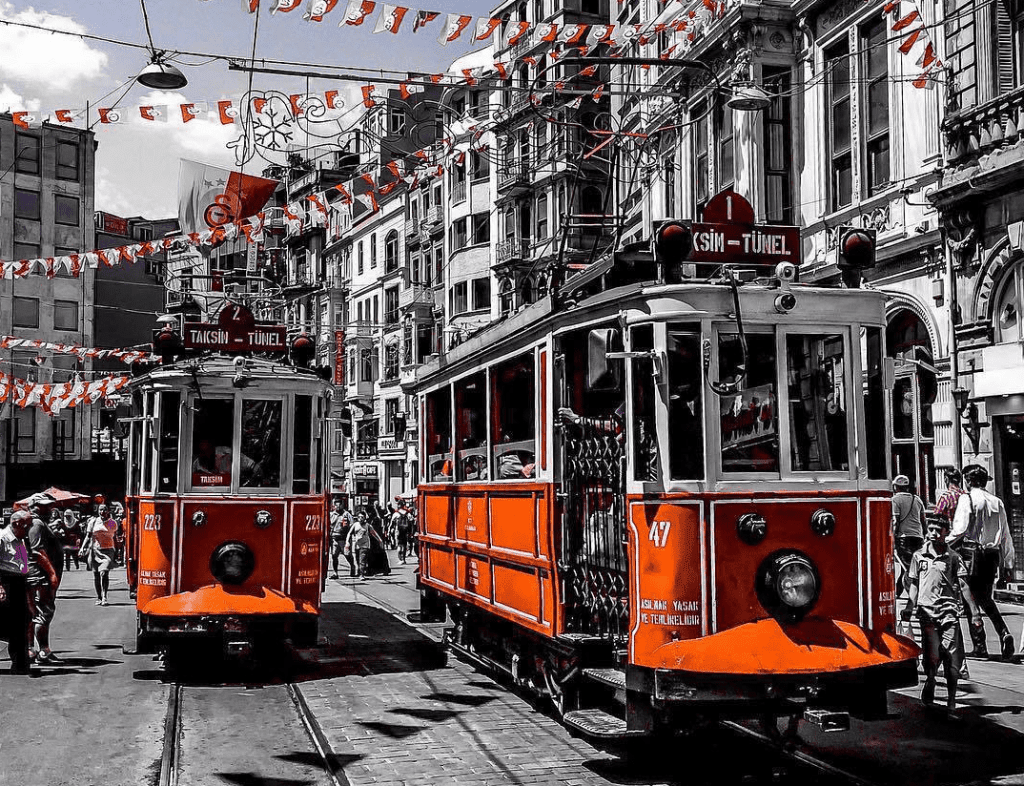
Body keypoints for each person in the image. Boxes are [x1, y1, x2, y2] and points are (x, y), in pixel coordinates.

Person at [902, 514, 976, 720]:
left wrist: (975, 612)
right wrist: (910, 605)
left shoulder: (954, 558)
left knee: (951, 657)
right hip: (926, 613)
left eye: (938, 530)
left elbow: (962, 585)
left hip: (949, 612)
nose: (934, 533)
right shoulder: (919, 557)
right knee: (932, 655)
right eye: (931, 529)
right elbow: (914, 584)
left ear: (946, 532)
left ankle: (952, 700)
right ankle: (931, 679)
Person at [949, 464, 1015, 659]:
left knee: (969, 597)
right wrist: (1007, 561)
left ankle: (980, 645)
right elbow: (1005, 535)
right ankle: (1003, 631)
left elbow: (960, 529)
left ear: (968, 481)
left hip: (971, 554)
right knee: (985, 597)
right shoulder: (997, 502)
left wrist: (944, 542)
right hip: (992, 555)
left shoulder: (966, 499)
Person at [25, 496, 63, 665]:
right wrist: (51, 573)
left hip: (36, 574)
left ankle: (36, 650)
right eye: (45, 506)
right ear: (36, 507)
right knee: (43, 613)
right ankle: (42, 651)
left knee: (35, 613)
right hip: (39, 576)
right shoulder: (36, 524)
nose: (50, 509)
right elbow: (37, 551)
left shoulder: (37, 523)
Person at [0, 511, 33, 674]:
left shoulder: (20, 540)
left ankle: (20, 663)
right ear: (16, 524)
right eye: (28, 524)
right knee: (6, 623)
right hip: (5, 582)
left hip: (19, 582)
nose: (30, 528)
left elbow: (23, 564)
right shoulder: (2, 538)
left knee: (21, 622)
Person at [891, 475, 926, 597]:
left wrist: (892, 537)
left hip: (903, 538)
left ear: (896, 487)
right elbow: (923, 521)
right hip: (918, 538)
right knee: (909, 565)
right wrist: (925, 535)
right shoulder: (917, 499)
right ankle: (898, 590)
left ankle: (915, 598)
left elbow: (895, 521)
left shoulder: (895, 500)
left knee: (908, 568)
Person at [80, 505, 118, 605]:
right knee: (96, 575)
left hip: (108, 550)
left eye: (104, 510)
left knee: (104, 572)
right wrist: (82, 548)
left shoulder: (111, 523)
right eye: (100, 510)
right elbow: (88, 536)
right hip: (95, 551)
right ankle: (99, 597)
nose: (102, 512)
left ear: (108, 511)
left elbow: (115, 535)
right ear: (98, 511)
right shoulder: (93, 522)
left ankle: (105, 596)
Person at [329, 501, 355, 579]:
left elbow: (352, 525)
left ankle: (352, 566)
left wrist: (347, 527)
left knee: (347, 554)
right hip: (334, 538)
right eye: (336, 506)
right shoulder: (331, 515)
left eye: (340, 505)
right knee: (334, 555)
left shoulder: (347, 514)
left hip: (344, 538)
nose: (338, 507)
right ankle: (335, 572)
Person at [345, 513, 372, 580]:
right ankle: (360, 572)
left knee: (362, 560)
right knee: (357, 560)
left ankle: (362, 574)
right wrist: (347, 542)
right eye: (359, 517)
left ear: (365, 518)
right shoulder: (355, 525)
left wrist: (380, 541)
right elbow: (349, 533)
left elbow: (373, 533)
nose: (360, 519)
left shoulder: (367, 525)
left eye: (362, 517)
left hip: (365, 545)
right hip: (357, 545)